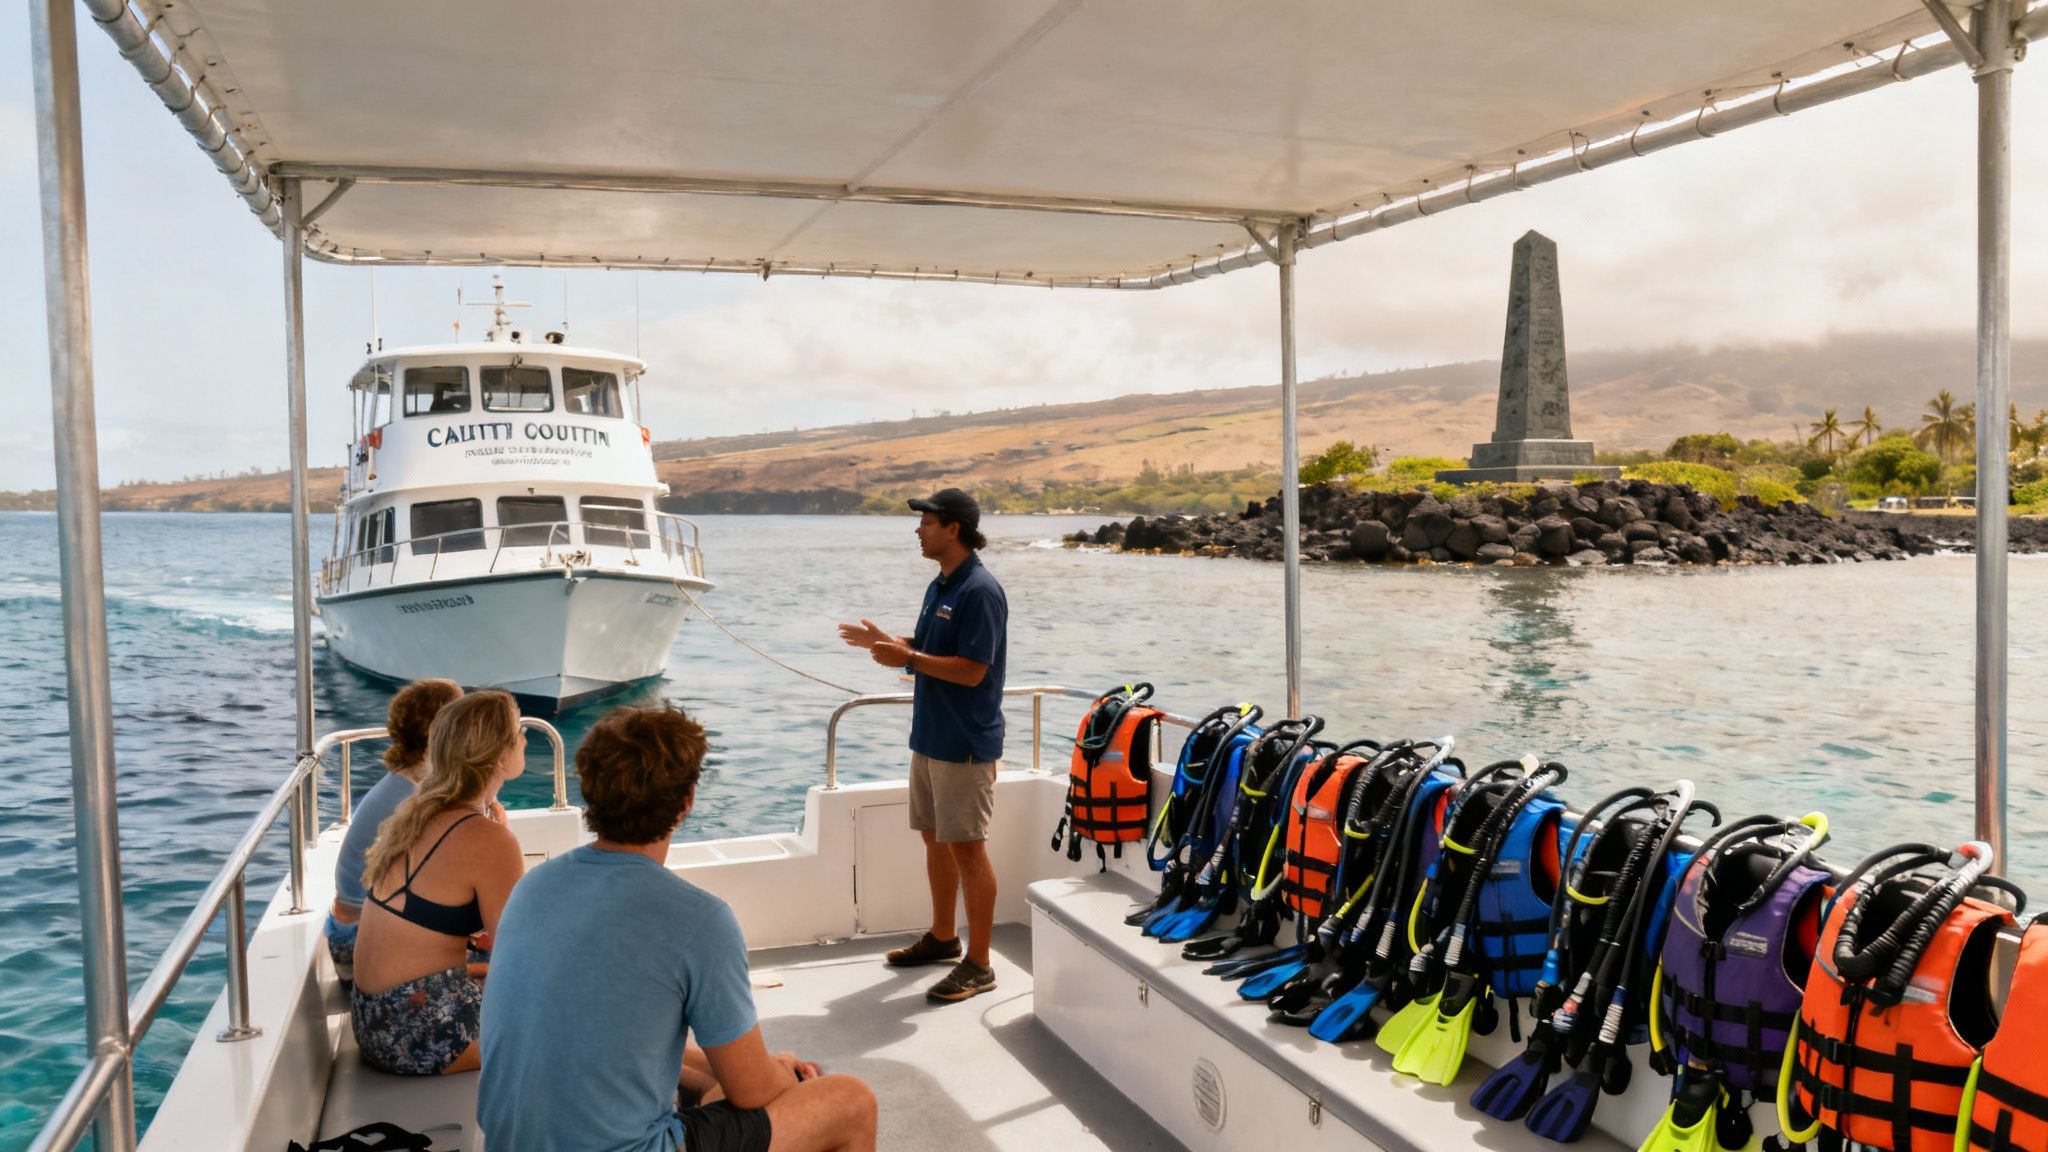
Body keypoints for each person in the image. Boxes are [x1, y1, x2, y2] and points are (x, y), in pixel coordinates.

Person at [479, 706, 877, 1152]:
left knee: (711, 1077)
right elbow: (754, 1091)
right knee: (851, 1101)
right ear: (686, 801)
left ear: (590, 792)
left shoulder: (533, 886)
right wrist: (782, 1069)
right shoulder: (700, 920)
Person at [836, 487, 1008, 1003]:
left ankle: (979, 965)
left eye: (927, 522)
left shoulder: (980, 591)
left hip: (965, 743)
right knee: (934, 839)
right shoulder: (942, 585)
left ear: (953, 528)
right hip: (931, 735)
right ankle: (942, 937)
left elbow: (974, 670)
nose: (918, 529)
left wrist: (906, 661)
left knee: (969, 850)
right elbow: (934, 651)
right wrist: (891, 644)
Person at [350, 690, 527, 1076]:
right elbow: (521, 956)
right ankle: (689, 1081)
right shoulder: (486, 837)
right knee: (578, 1015)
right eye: (519, 731)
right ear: (499, 755)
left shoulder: (418, 811)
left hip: (375, 1020)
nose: (526, 739)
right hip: (420, 1037)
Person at [326, 678, 463, 984]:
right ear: (440, 732)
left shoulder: (406, 783)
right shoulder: (412, 801)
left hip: (351, 937)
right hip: (363, 945)